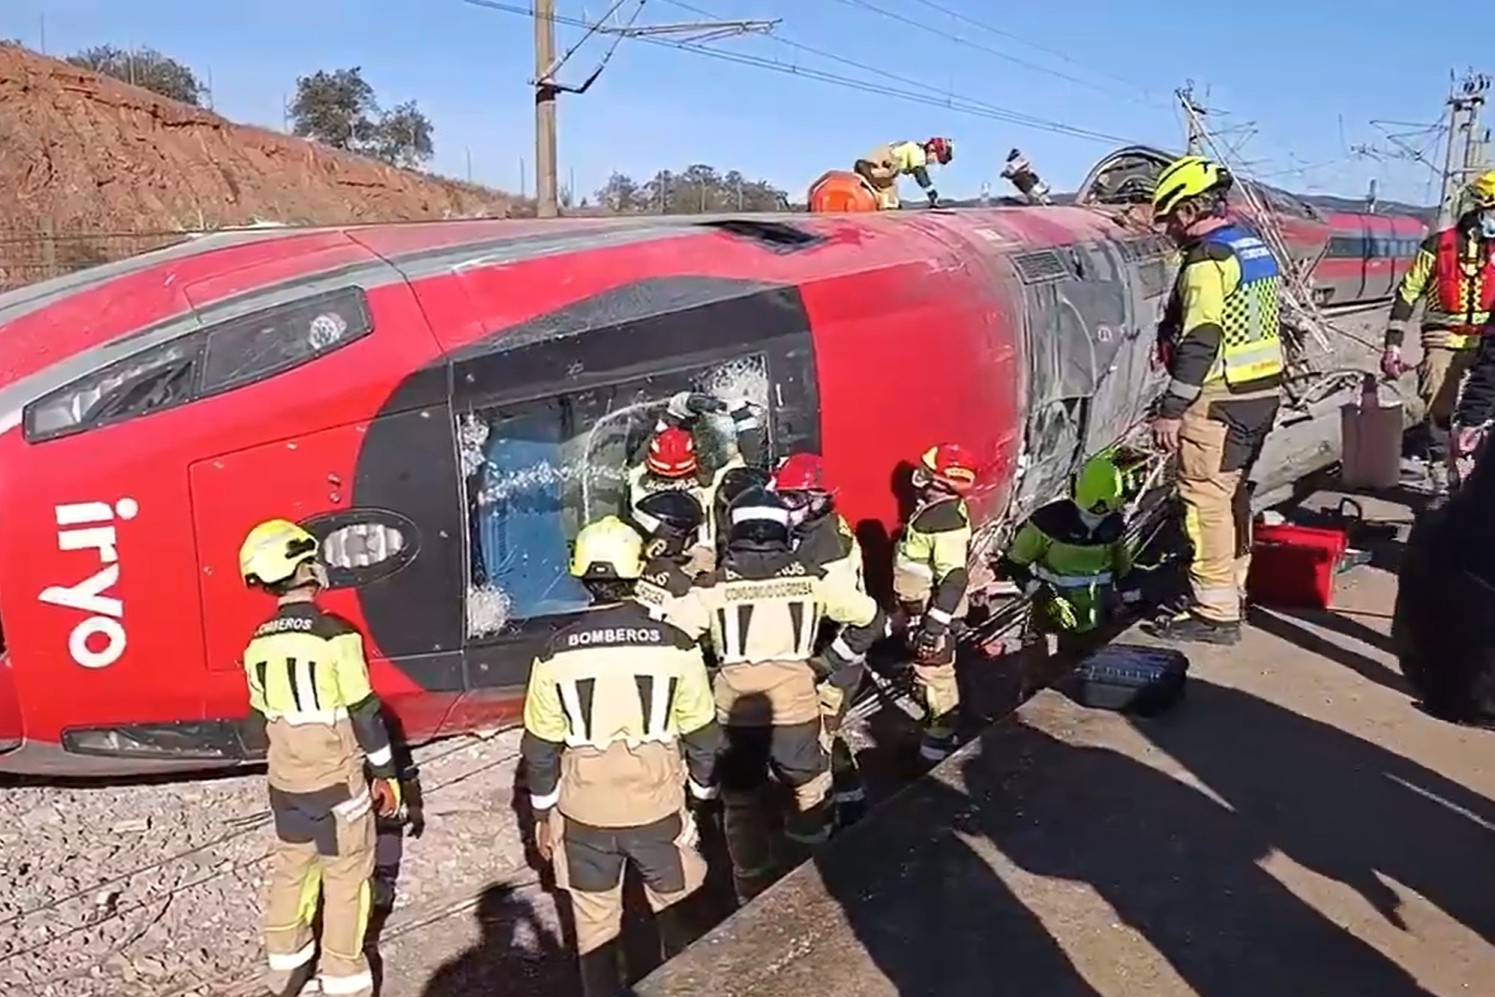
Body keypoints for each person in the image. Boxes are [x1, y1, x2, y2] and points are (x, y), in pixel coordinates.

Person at [520, 515, 723, 997]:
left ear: (582, 575)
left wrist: (544, 813)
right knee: (677, 920)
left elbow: (541, 747)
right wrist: (699, 798)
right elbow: (703, 736)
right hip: (656, 808)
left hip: (585, 815)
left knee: (595, 936)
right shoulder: (677, 645)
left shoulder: (553, 652)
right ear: (638, 571)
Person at [671, 486, 887, 902]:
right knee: (809, 788)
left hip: (733, 717)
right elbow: (871, 620)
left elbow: (674, 640)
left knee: (742, 805)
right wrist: (826, 663)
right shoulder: (812, 580)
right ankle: (813, 875)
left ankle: (749, 889)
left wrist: (707, 674)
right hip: (797, 712)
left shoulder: (711, 587)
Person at [237, 519, 402, 997]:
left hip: (286, 783)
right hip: (336, 781)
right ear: (304, 568)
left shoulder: (258, 642)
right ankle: (344, 980)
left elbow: (257, 720)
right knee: (348, 876)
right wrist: (386, 774)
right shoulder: (336, 635)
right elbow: (364, 712)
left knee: (293, 868)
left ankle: (285, 969)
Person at [1147, 154, 1283, 646]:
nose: (1170, 230)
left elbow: (1202, 336)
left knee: (1203, 500)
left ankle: (1214, 611)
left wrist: (1172, 409)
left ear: (1186, 210)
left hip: (1220, 399)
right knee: (1233, 495)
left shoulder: (1208, 259)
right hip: (1261, 393)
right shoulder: (1251, 247)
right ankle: (1232, 590)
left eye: (1169, 217)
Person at [768, 452, 868, 826]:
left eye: (792, 498)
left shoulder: (828, 554)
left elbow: (860, 624)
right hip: (822, 656)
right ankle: (853, 799)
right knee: (828, 734)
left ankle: (820, 826)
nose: (784, 505)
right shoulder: (813, 531)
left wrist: (824, 665)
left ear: (819, 498)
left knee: (815, 747)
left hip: (832, 663)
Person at [1383, 170, 1495, 495]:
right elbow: (1407, 294)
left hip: (1486, 339)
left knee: (1485, 404)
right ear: (1480, 208)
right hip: (1443, 338)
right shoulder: (1438, 246)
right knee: (1437, 400)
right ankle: (1439, 472)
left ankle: (1475, 461)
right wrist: (1393, 345)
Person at [892, 443, 977, 762]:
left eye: (927, 473)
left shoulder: (945, 523)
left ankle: (935, 751)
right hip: (924, 610)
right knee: (928, 674)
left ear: (941, 484)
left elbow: (954, 578)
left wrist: (934, 626)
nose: (920, 477)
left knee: (935, 677)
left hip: (934, 614)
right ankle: (934, 732)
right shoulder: (940, 511)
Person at [998, 452, 1134, 643]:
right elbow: (1012, 564)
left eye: (1101, 516)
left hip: (1099, 619)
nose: (1095, 521)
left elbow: (1124, 570)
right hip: (1052, 620)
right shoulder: (1048, 523)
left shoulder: (1114, 526)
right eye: (1089, 515)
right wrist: (1042, 595)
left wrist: (1129, 598)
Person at [628, 390, 765, 569]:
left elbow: (645, 450)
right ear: (694, 460)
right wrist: (741, 415)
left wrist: (676, 411)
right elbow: (752, 462)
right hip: (704, 567)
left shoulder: (636, 485)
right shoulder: (709, 486)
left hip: (653, 570)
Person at [853, 137, 953, 210]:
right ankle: (867, 170)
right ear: (931, 150)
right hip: (882, 160)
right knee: (892, 171)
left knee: (891, 196)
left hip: (881, 161)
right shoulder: (918, 151)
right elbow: (920, 174)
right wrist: (932, 194)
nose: (933, 163)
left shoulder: (915, 149)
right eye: (936, 159)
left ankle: (888, 205)